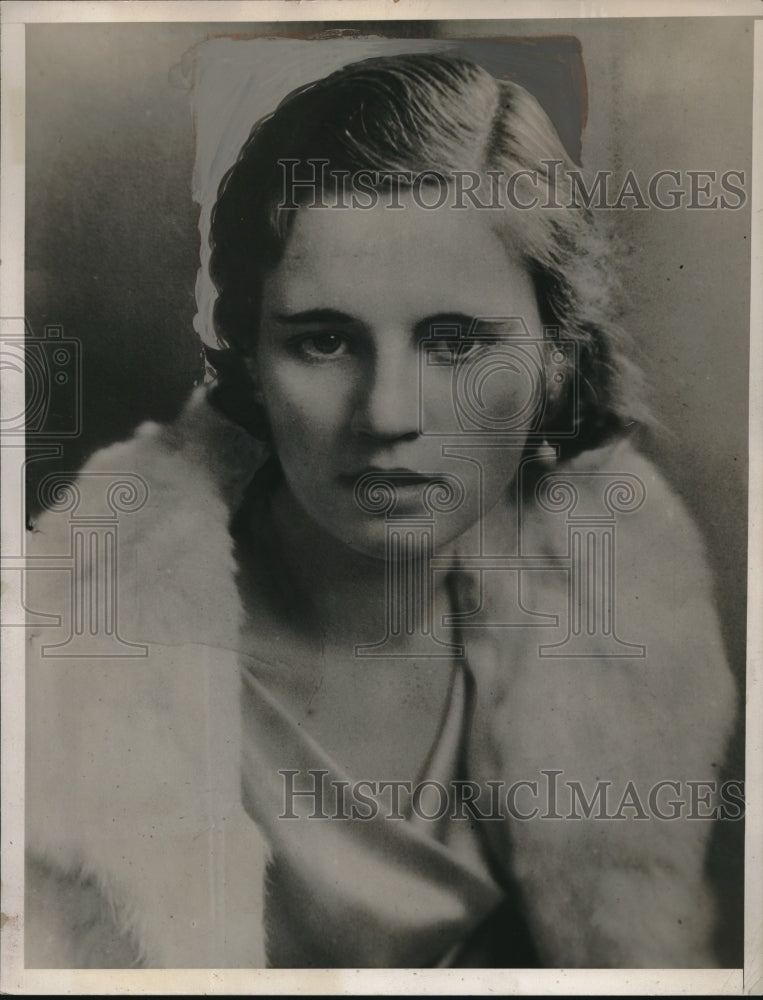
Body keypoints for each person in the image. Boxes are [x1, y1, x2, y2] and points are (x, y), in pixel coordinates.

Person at [24, 52, 737, 969]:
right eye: (323, 340)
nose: (388, 414)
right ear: (245, 355)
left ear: (555, 359)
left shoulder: (622, 639)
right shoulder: (68, 667)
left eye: (455, 342)